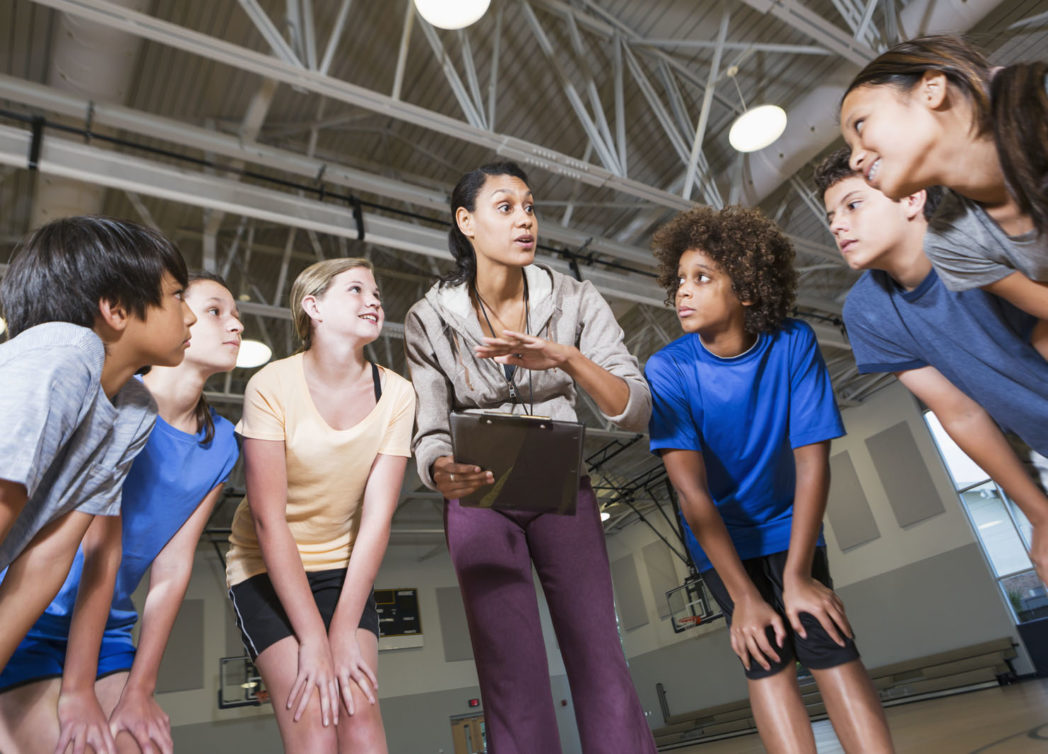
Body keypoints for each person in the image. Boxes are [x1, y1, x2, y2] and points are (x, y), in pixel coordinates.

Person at [404, 161, 657, 753]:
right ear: (466, 222)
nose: (525, 220)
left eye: (530, 206)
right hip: (479, 498)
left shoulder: (573, 298)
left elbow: (636, 408)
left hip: (563, 487)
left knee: (600, 655)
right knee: (509, 674)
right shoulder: (429, 318)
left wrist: (567, 359)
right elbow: (430, 429)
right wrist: (441, 470)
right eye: (505, 207)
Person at [646, 205, 893, 753]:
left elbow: (812, 462)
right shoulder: (668, 369)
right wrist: (743, 600)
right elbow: (692, 494)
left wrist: (800, 576)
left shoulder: (793, 343)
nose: (683, 291)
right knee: (766, 656)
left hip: (790, 527)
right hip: (720, 541)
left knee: (827, 640)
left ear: (749, 290)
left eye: (702, 278)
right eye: (680, 280)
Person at [0, 272, 243, 754]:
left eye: (237, 315)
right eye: (216, 310)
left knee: (145, 745)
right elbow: (97, 549)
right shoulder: (120, 403)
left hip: (107, 629)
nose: (234, 324)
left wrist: (140, 689)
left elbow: (173, 569)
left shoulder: (224, 444)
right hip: (30, 612)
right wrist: (78, 691)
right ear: (181, 318)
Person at [815, 147, 1048, 584]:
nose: (837, 225)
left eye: (853, 205)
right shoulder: (867, 312)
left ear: (910, 199)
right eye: (830, 217)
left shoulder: (982, 232)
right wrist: (1039, 516)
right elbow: (959, 412)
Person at [226, 258, 414, 754]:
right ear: (314, 307)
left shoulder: (397, 393)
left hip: (341, 568)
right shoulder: (270, 385)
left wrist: (344, 628)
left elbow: (377, 518)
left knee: (359, 713)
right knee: (314, 716)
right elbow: (269, 520)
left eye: (376, 292)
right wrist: (314, 637)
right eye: (356, 290)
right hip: (265, 569)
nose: (374, 300)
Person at [0, 216, 193, 674]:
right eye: (178, 296)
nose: (188, 315)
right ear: (116, 309)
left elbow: (49, 556)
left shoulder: (134, 410)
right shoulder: (63, 354)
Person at [839, 35, 1047, 352]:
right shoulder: (952, 243)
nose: (855, 158)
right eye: (850, 147)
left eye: (861, 124)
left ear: (932, 90)